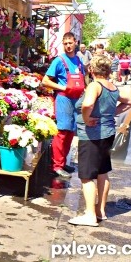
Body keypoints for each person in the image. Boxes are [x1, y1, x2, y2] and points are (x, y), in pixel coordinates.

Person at [68, 55, 131, 227]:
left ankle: (90, 215)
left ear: (91, 69)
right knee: (102, 172)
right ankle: (100, 210)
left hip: (92, 135)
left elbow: (87, 104)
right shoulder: (112, 87)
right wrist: (112, 113)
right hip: (108, 133)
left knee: (86, 176)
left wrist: (87, 118)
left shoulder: (94, 85)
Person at [42, 32, 86, 178]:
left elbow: (83, 80)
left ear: (75, 42)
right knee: (62, 133)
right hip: (64, 100)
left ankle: (63, 162)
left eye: (70, 43)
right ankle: (56, 166)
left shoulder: (79, 61)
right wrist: (63, 88)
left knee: (70, 133)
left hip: (76, 100)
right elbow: (45, 81)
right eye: (65, 43)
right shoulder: (59, 61)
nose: (68, 46)